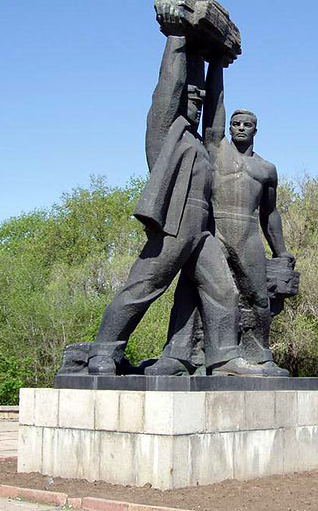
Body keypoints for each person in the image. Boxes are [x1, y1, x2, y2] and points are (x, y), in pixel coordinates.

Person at [87, 36, 264, 377]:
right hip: (174, 224)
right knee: (145, 286)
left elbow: (215, 120)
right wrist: (177, 40)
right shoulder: (166, 133)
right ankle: (104, 351)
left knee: (222, 291)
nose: (197, 107)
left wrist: (217, 64)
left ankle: (224, 357)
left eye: (199, 103)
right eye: (191, 101)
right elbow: (167, 87)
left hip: (202, 230)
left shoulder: (201, 144)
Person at [155, 59, 294, 376]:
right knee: (192, 292)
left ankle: (260, 357)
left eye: (247, 124)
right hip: (214, 234)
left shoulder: (266, 169)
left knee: (259, 297)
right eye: (236, 124)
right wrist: (217, 63)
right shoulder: (217, 150)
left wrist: (281, 251)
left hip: (247, 236)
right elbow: (214, 113)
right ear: (229, 128)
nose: (240, 128)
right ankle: (181, 355)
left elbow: (270, 213)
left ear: (256, 130)